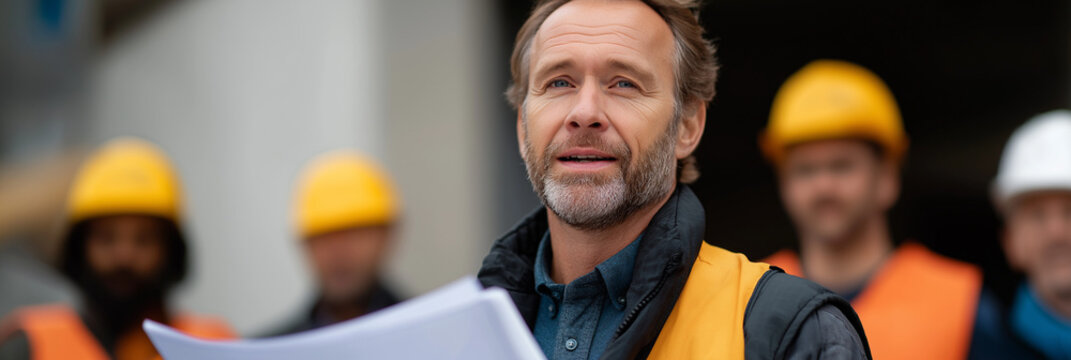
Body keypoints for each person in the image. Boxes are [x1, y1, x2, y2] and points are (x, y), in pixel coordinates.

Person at [477, 1, 870, 359]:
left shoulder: (794, 334)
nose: (584, 112)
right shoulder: (455, 333)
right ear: (523, 128)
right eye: (559, 82)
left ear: (687, 126)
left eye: (623, 83)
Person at [759, 60, 984, 360]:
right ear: (783, 185)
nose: (823, 186)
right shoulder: (750, 298)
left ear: (887, 179)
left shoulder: (962, 303)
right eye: (805, 170)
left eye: (842, 166)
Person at [0, 137, 234, 360]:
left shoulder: (215, 346)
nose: (124, 256)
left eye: (143, 240)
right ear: (79, 249)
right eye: (106, 239)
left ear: (171, 252)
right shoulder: (27, 344)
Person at [264, 150, 402, 336]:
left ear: (386, 235)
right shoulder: (271, 351)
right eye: (323, 238)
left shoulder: (433, 338)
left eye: (354, 232)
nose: (338, 252)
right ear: (303, 246)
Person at [979, 110, 1071, 359]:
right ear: (1010, 242)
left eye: (1070, 211)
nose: (1056, 233)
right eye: (1037, 216)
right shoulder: (969, 345)